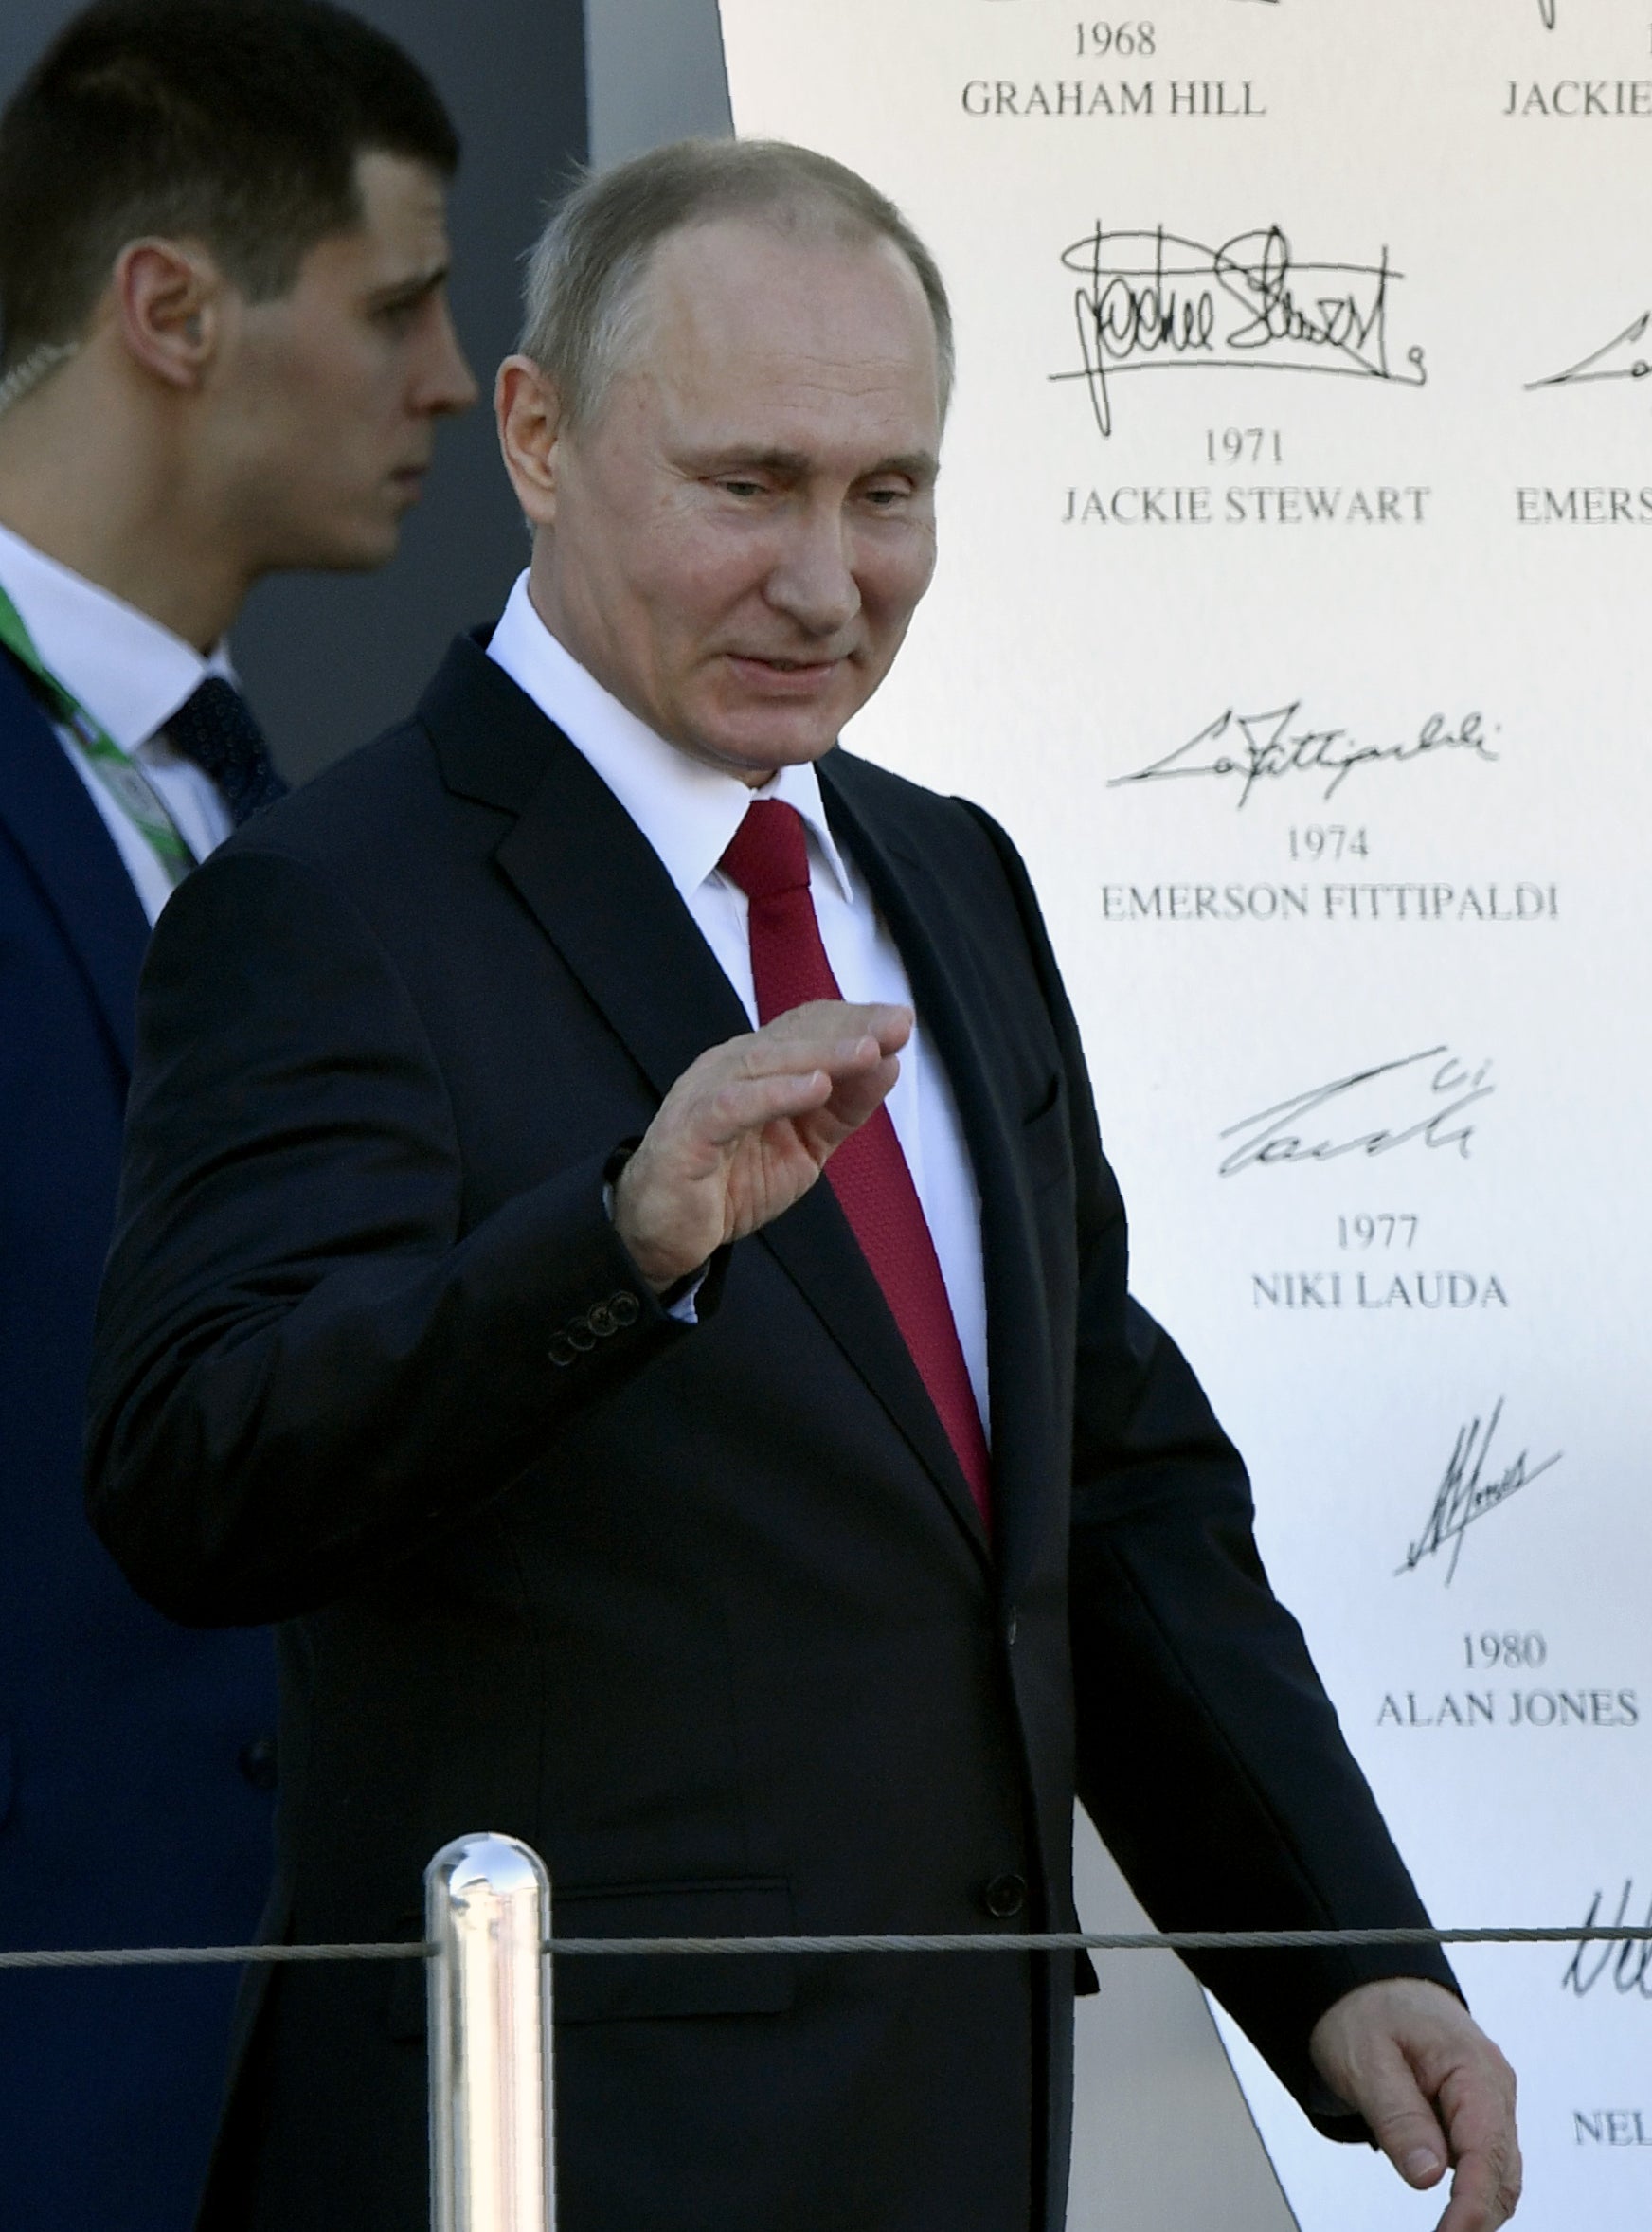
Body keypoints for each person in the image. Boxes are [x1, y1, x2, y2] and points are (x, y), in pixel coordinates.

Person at [86, 137, 1520, 2232]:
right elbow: (195, 1471)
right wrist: (617, 1240)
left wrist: (1339, 1948)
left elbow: (1098, 1476)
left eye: (891, 492)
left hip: (956, 2128)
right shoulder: (327, 903)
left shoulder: (945, 872)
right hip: (557, 2153)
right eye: (749, 485)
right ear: (541, 435)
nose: (830, 579)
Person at [0, 6, 474, 2225]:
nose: (455, 379)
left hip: (325, 2065)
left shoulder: (269, 810)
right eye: (398, 305)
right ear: (169, 310)